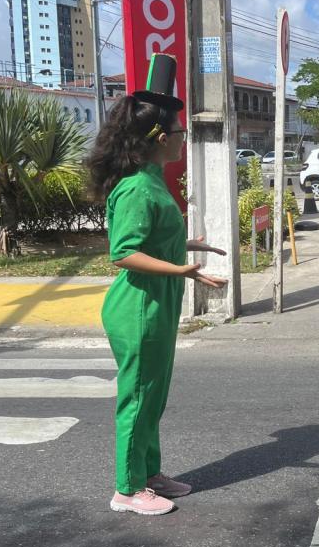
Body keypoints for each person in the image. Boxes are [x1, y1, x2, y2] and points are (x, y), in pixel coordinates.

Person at [89, 54, 228, 516]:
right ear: (160, 138)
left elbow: (151, 239)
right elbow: (124, 252)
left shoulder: (151, 180)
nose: (183, 141)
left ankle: (148, 474)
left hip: (157, 304)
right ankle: (126, 490)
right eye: (180, 134)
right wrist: (183, 271)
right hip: (139, 308)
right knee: (138, 398)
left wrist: (188, 246)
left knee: (154, 396)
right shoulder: (136, 187)